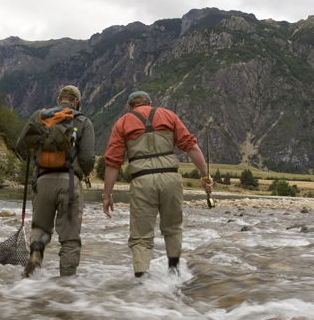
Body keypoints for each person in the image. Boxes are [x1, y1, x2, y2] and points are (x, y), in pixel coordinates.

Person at [102, 91, 213, 277]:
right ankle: (175, 273)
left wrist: (107, 196)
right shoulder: (168, 115)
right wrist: (204, 177)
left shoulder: (122, 123)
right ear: (150, 103)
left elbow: (113, 163)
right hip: (171, 179)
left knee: (141, 236)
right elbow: (191, 146)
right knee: (173, 228)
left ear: (130, 106)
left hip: (141, 181)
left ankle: (142, 279)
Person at [17, 85, 95, 277]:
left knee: (40, 228)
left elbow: (20, 145)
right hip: (69, 183)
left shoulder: (40, 116)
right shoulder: (83, 121)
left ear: (59, 98)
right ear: (76, 101)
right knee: (69, 238)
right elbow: (86, 158)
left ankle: (36, 253)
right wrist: (83, 173)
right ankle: (66, 284)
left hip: (42, 180)